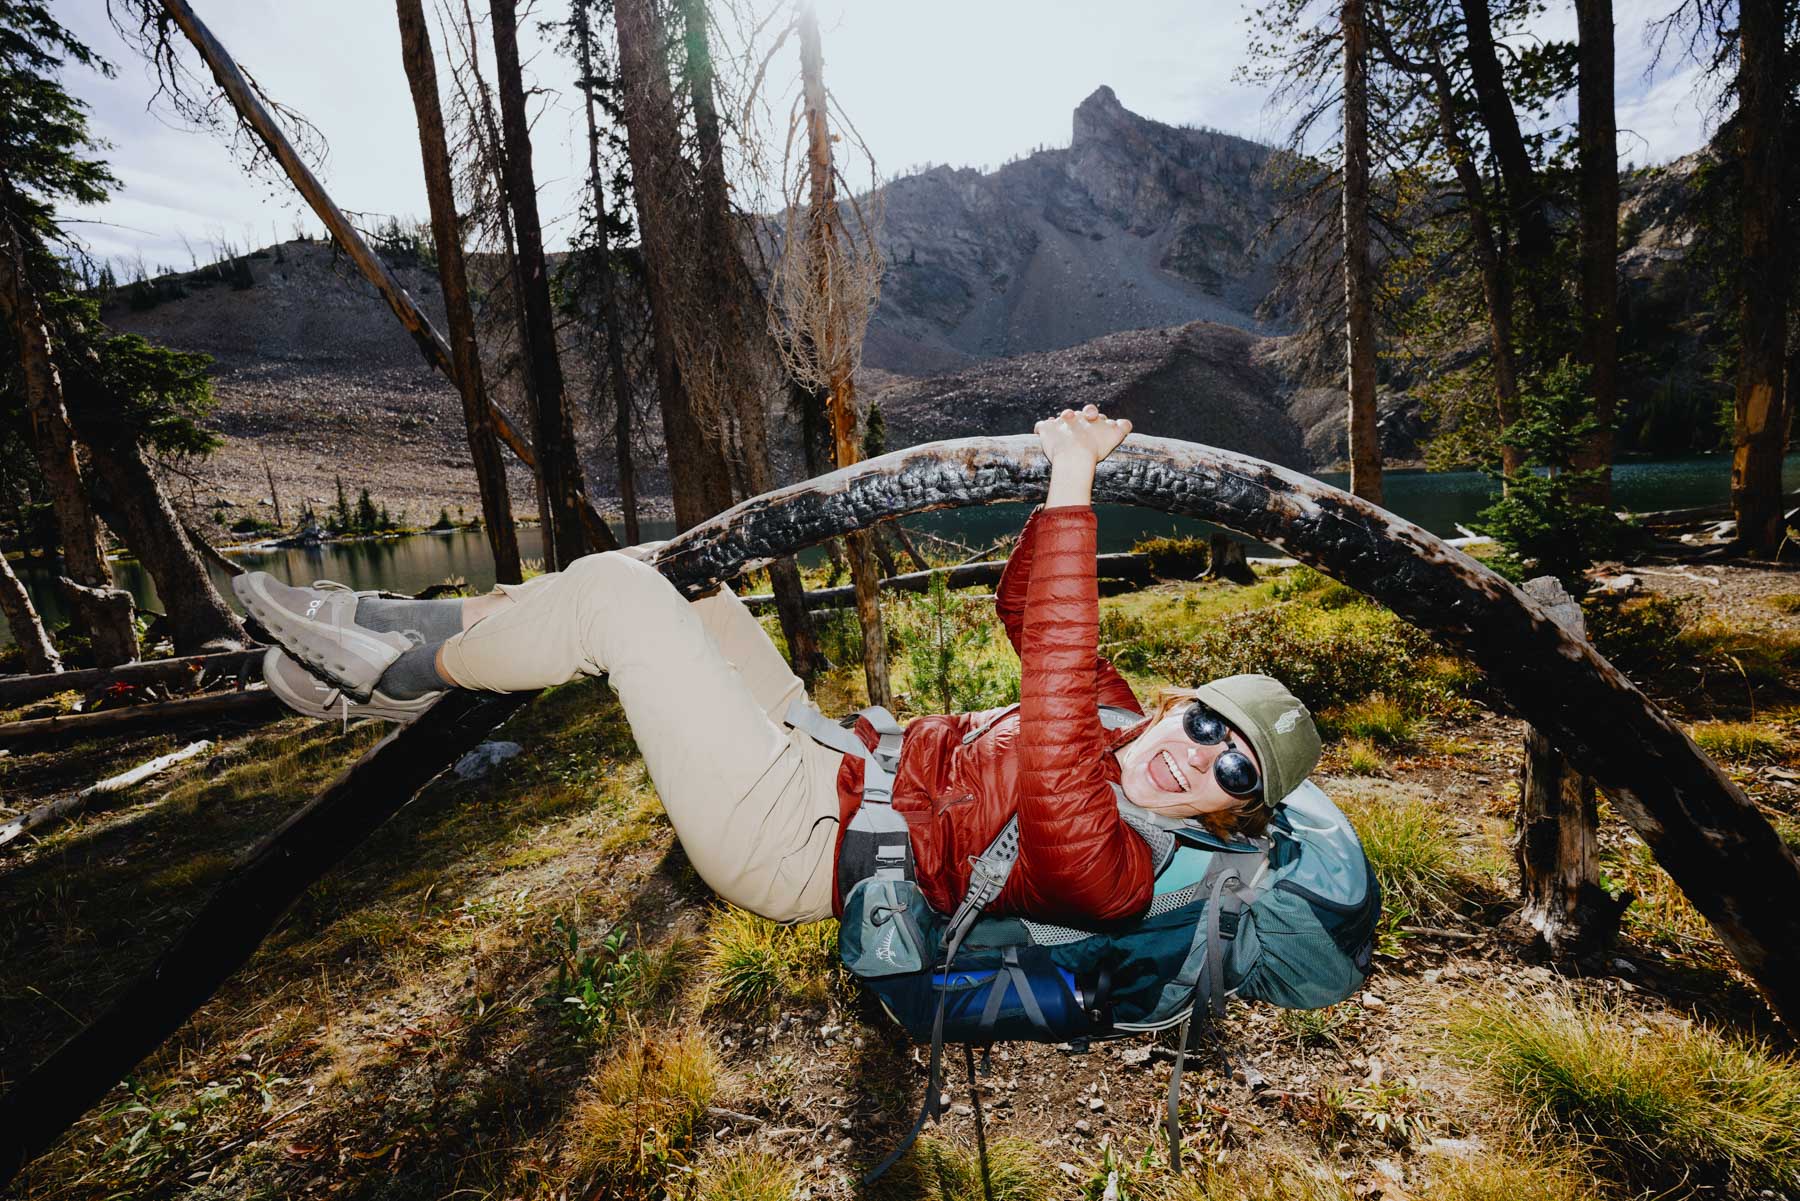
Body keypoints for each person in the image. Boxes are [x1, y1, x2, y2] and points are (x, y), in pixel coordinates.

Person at [238, 406, 1322, 929]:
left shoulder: (1118, 875)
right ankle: (374, 650)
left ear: (1235, 817)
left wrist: (1078, 488)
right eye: (1213, 727)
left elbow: (1047, 753)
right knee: (677, 574)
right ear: (1184, 707)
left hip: (799, 842)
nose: (1204, 762)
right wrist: (1061, 472)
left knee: (619, 604)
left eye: (1237, 777)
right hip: (830, 749)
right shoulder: (1126, 720)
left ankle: (387, 662)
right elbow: (1029, 611)